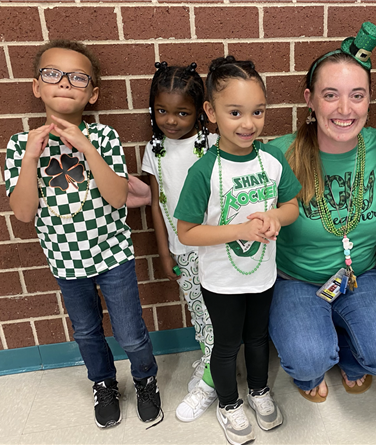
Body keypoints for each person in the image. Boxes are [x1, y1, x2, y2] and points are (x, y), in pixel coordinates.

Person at [3, 40, 162, 429]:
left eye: (77, 78)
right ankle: (104, 383)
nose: (64, 83)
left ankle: (145, 379)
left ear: (92, 94)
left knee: (130, 332)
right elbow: (23, 213)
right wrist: (29, 159)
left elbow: (117, 195)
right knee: (87, 332)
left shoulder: (104, 137)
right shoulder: (20, 145)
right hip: (65, 260)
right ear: (37, 86)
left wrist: (87, 147)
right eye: (52, 74)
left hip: (113, 256)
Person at [267, 22, 376, 404]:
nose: (345, 109)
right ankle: (318, 346)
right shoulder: (278, 154)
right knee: (306, 361)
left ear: (370, 100)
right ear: (310, 99)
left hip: (360, 275)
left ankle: (350, 350)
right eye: (330, 95)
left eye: (357, 95)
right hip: (296, 280)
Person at [175, 56, 301, 445]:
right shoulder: (204, 171)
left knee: (259, 338)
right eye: (235, 112)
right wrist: (241, 230)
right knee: (227, 344)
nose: (248, 123)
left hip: (263, 276)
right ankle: (228, 403)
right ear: (211, 113)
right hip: (221, 282)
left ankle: (259, 391)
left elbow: (293, 206)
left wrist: (277, 217)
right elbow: (187, 233)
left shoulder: (272, 160)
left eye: (257, 111)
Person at [141, 61, 219, 423]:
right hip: (182, 250)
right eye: (162, 111)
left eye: (182, 112)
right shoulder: (154, 152)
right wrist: (163, 250)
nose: (171, 120)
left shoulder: (214, 145)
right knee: (199, 311)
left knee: (218, 313)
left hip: (218, 250)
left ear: (200, 111)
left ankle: (212, 374)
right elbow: (158, 205)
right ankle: (210, 357)